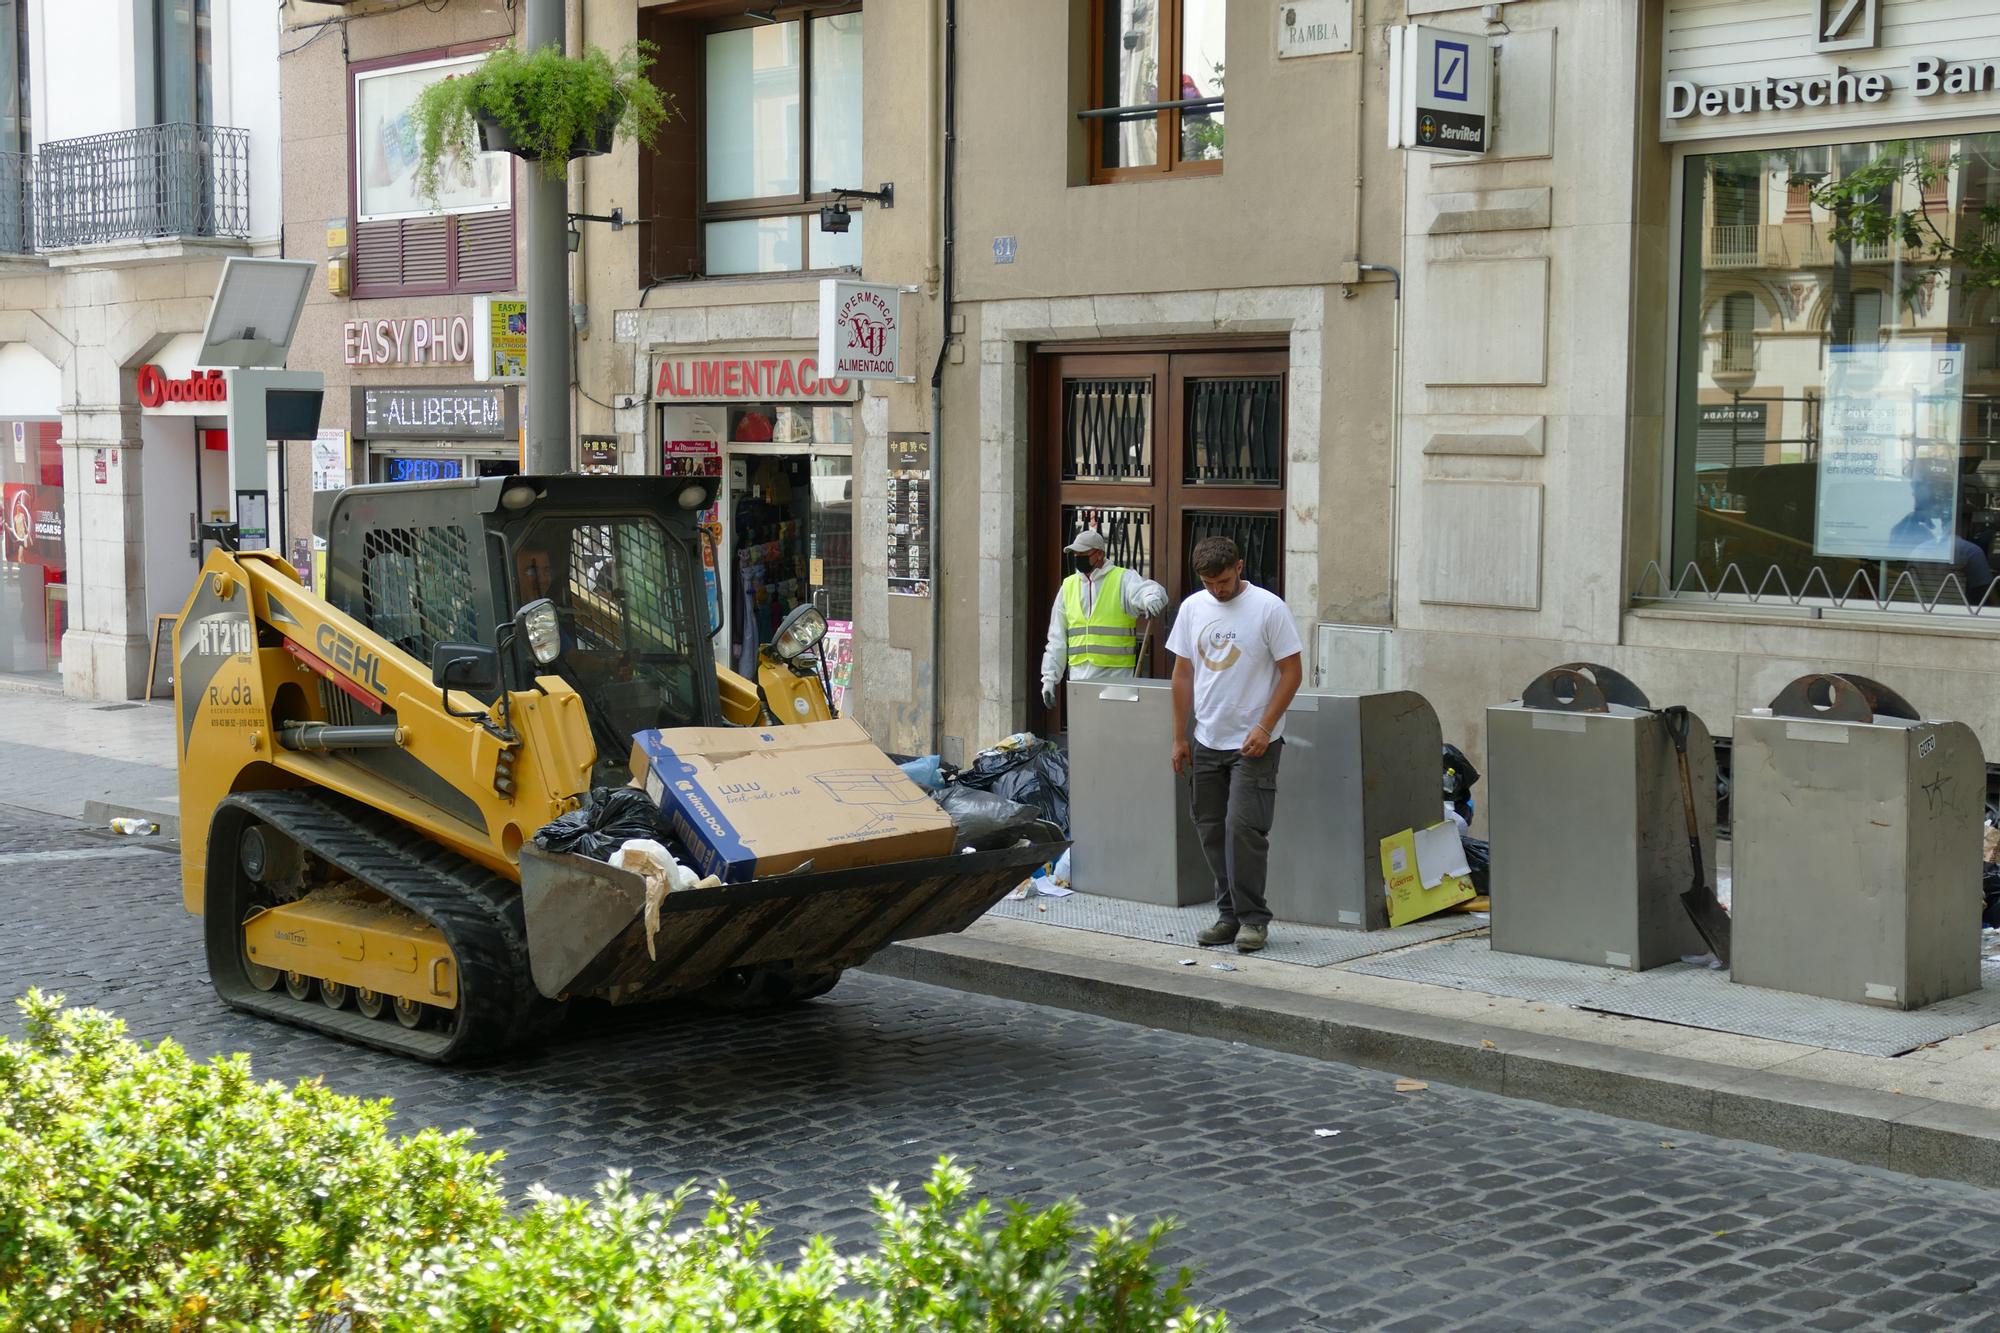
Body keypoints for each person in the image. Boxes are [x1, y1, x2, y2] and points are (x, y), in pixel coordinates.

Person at [1168, 536, 1303, 954]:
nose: (1217, 590)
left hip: (1255, 742)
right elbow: (1183, 674)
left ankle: (1253, 919)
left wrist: (1265, 727)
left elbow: (1292, 673)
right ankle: (1228, 915)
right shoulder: (1193, 608)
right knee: (1210, 829)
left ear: (1239, 567)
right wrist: (1179, 736)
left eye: (1223, 581)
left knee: (1242, 828)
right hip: (1207, 737)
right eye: (1208, 583)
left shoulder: (1269, 608)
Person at [1040, 528, 1169, 709]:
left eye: (1083, 554)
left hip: (1117, 678)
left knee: (1116, 731)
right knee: (1085, 733)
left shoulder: (1122, 579)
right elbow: (1056, 639)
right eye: (1075, 554)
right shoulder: (1068, 586)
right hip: (1080, 679)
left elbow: (1149, 590)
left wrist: (1152, 599)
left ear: (1099, 554)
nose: (1078, 558)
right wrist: (1049, 679)